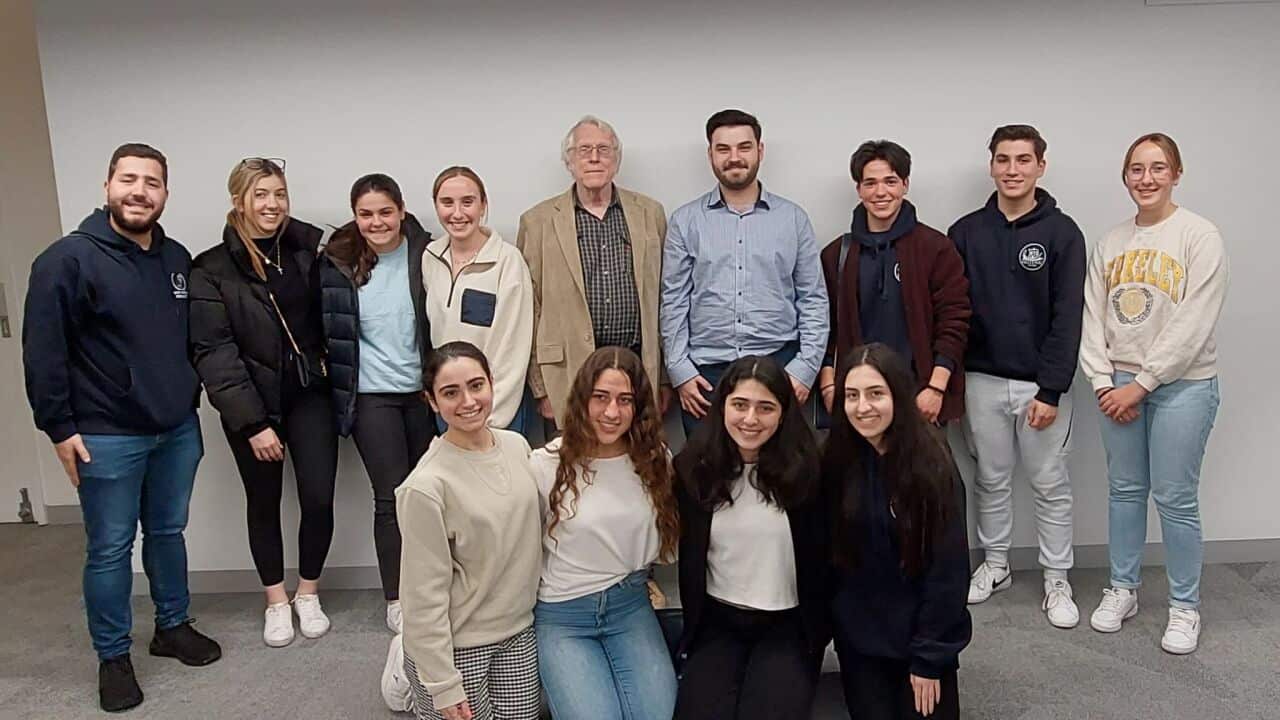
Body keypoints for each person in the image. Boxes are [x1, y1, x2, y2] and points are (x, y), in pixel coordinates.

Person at [22, 143, 221, 712]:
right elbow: (43, 354)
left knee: (167, 533)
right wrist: (59, 427)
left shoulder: (177, 258)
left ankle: (172, 627)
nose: (140, 191)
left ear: (165, 193)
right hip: (106, 434)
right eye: (129, 179)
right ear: (108, 184)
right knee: (110, 549)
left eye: (152, 182)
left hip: (177, 428)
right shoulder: (67, 260)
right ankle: (113, 656)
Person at [1080, 133, 1228, 655]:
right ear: (1125, 177)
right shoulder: (1111, 242)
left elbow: (1193, 322)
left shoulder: (1199, 236)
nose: (1146, 179)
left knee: (1176, 498)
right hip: (1116, 386)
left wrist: (1142, 386)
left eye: (1158, 168)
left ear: (1176, 174)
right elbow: (1092, 318)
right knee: (1124, 490)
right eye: (1137, 169)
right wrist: (1104, 383)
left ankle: (1185, 607)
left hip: (1181, 386)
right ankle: (1123, 589)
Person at [190, 157, 338, 648]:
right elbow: (214, 353)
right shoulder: (211, 268)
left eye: (279, 194)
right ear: (239, 201)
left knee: (318, 497)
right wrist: (253, 423)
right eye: (260, 194)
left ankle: (307, 593)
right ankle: (276, 600)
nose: (272, 204)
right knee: (264, 502)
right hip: (252, 408)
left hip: (309, 396)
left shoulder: (305, 253)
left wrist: (303, 235)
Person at [948, 125, 1087, 627]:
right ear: (991, 166)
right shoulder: (965, 232)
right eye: (1003, 160)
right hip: (982, 379)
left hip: (1040, 386)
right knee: (990, 478)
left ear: (1040, 166)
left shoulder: (1062, 233)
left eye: (1023, 160)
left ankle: (1056, 579)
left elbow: (1069, 315)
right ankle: (997, 564)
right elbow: (954, 311)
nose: (1012, 170)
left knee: (1050, 483)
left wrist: (1050, 388)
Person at [672, 355, 829, 720]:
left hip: (787, 626)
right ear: (722, 405)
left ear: (784, 413)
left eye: (765, 408)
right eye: (739, 404)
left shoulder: (810, 472)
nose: (750, 419)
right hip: (718, 623)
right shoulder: (692, 469)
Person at [393, 342, 543, 720]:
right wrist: (442, 684)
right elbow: (421, 594)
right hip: (458, 644)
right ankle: (409, 671)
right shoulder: (425, 487)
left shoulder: (517, 446)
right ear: (431, 401)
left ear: (492, 384)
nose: (468, 401)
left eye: (477, 385)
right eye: (450, 392)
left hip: (518, 632)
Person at [530, 347, 679, 719]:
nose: (612, 412)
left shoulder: (655, 459)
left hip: (631, 608)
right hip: (564, 615)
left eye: (625, 400)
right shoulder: (544, 464)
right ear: (582, 399)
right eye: (601, 397)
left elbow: (666, 543)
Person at [825, 343, 971, 719]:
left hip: (920, 640)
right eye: (852, 396)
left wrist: (929, 659)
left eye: (876, 394)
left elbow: (948, 574)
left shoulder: (932, 466)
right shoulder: (835, 462)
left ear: (899, 396)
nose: (863, 407)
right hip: (861, 643)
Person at [662, 109, 829, 435]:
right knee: (708, 477)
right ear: (710, 155)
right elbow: (673, 301)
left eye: (744, 147)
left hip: (780, 366)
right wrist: (679, 370)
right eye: (723, 149)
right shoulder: (685, 222)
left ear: (760, 151)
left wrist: (804, 369)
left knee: (782, 475)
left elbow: (813, 299)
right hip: (705, 378)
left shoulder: (793, 219)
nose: (734, 157)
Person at [320, 173, 435, 634]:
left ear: (402, 211)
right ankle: (397, 596)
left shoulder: (427, 254)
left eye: (385, 211)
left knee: (431, 498)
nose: (376, 222)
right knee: (391, 499)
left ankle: (436, 588)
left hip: (425, 396)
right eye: (365, 214)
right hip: (371, 398)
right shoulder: (338, 261)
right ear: (355, 217)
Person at [518, 116, 672, 429]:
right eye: (584, 150)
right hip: (567, 371)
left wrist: (665, 378)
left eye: (604, 149)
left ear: (616, 160)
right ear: (568, 161)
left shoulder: (650, 214)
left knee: (637, 466)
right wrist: (540, 385)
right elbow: (529, 307)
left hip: (637, 368)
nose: (594, 158)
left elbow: (667, 297)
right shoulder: (538, 221)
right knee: (574, 469)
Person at [817, 140, 970, 425]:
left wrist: (935, 389)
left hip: (919, 397)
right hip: (857, 401)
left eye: (890, 181)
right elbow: (825, 328)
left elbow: (954, 323)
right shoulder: (836, 255)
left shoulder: (935, 248)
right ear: (859, 189)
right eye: (870, 183)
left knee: (921, 470)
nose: (880, 192)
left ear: (905, 184)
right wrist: (829, 387)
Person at [423, 166, 534, 433]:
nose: (457, 213)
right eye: (447, 203)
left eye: (468, 202)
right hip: (450, 408)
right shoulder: (430, 257)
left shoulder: (507, 261)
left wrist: (490, 416)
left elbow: (513, 347)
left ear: (483, 205)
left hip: (495, 410)